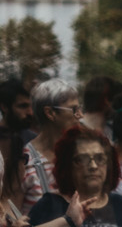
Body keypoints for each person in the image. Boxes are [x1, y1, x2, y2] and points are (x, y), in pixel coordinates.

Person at [20, 79, 80, 207]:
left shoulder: (81, 154)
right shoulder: (24, 162)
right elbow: (12, 217)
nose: (80, 115)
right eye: (73, 109)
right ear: (50, 113)